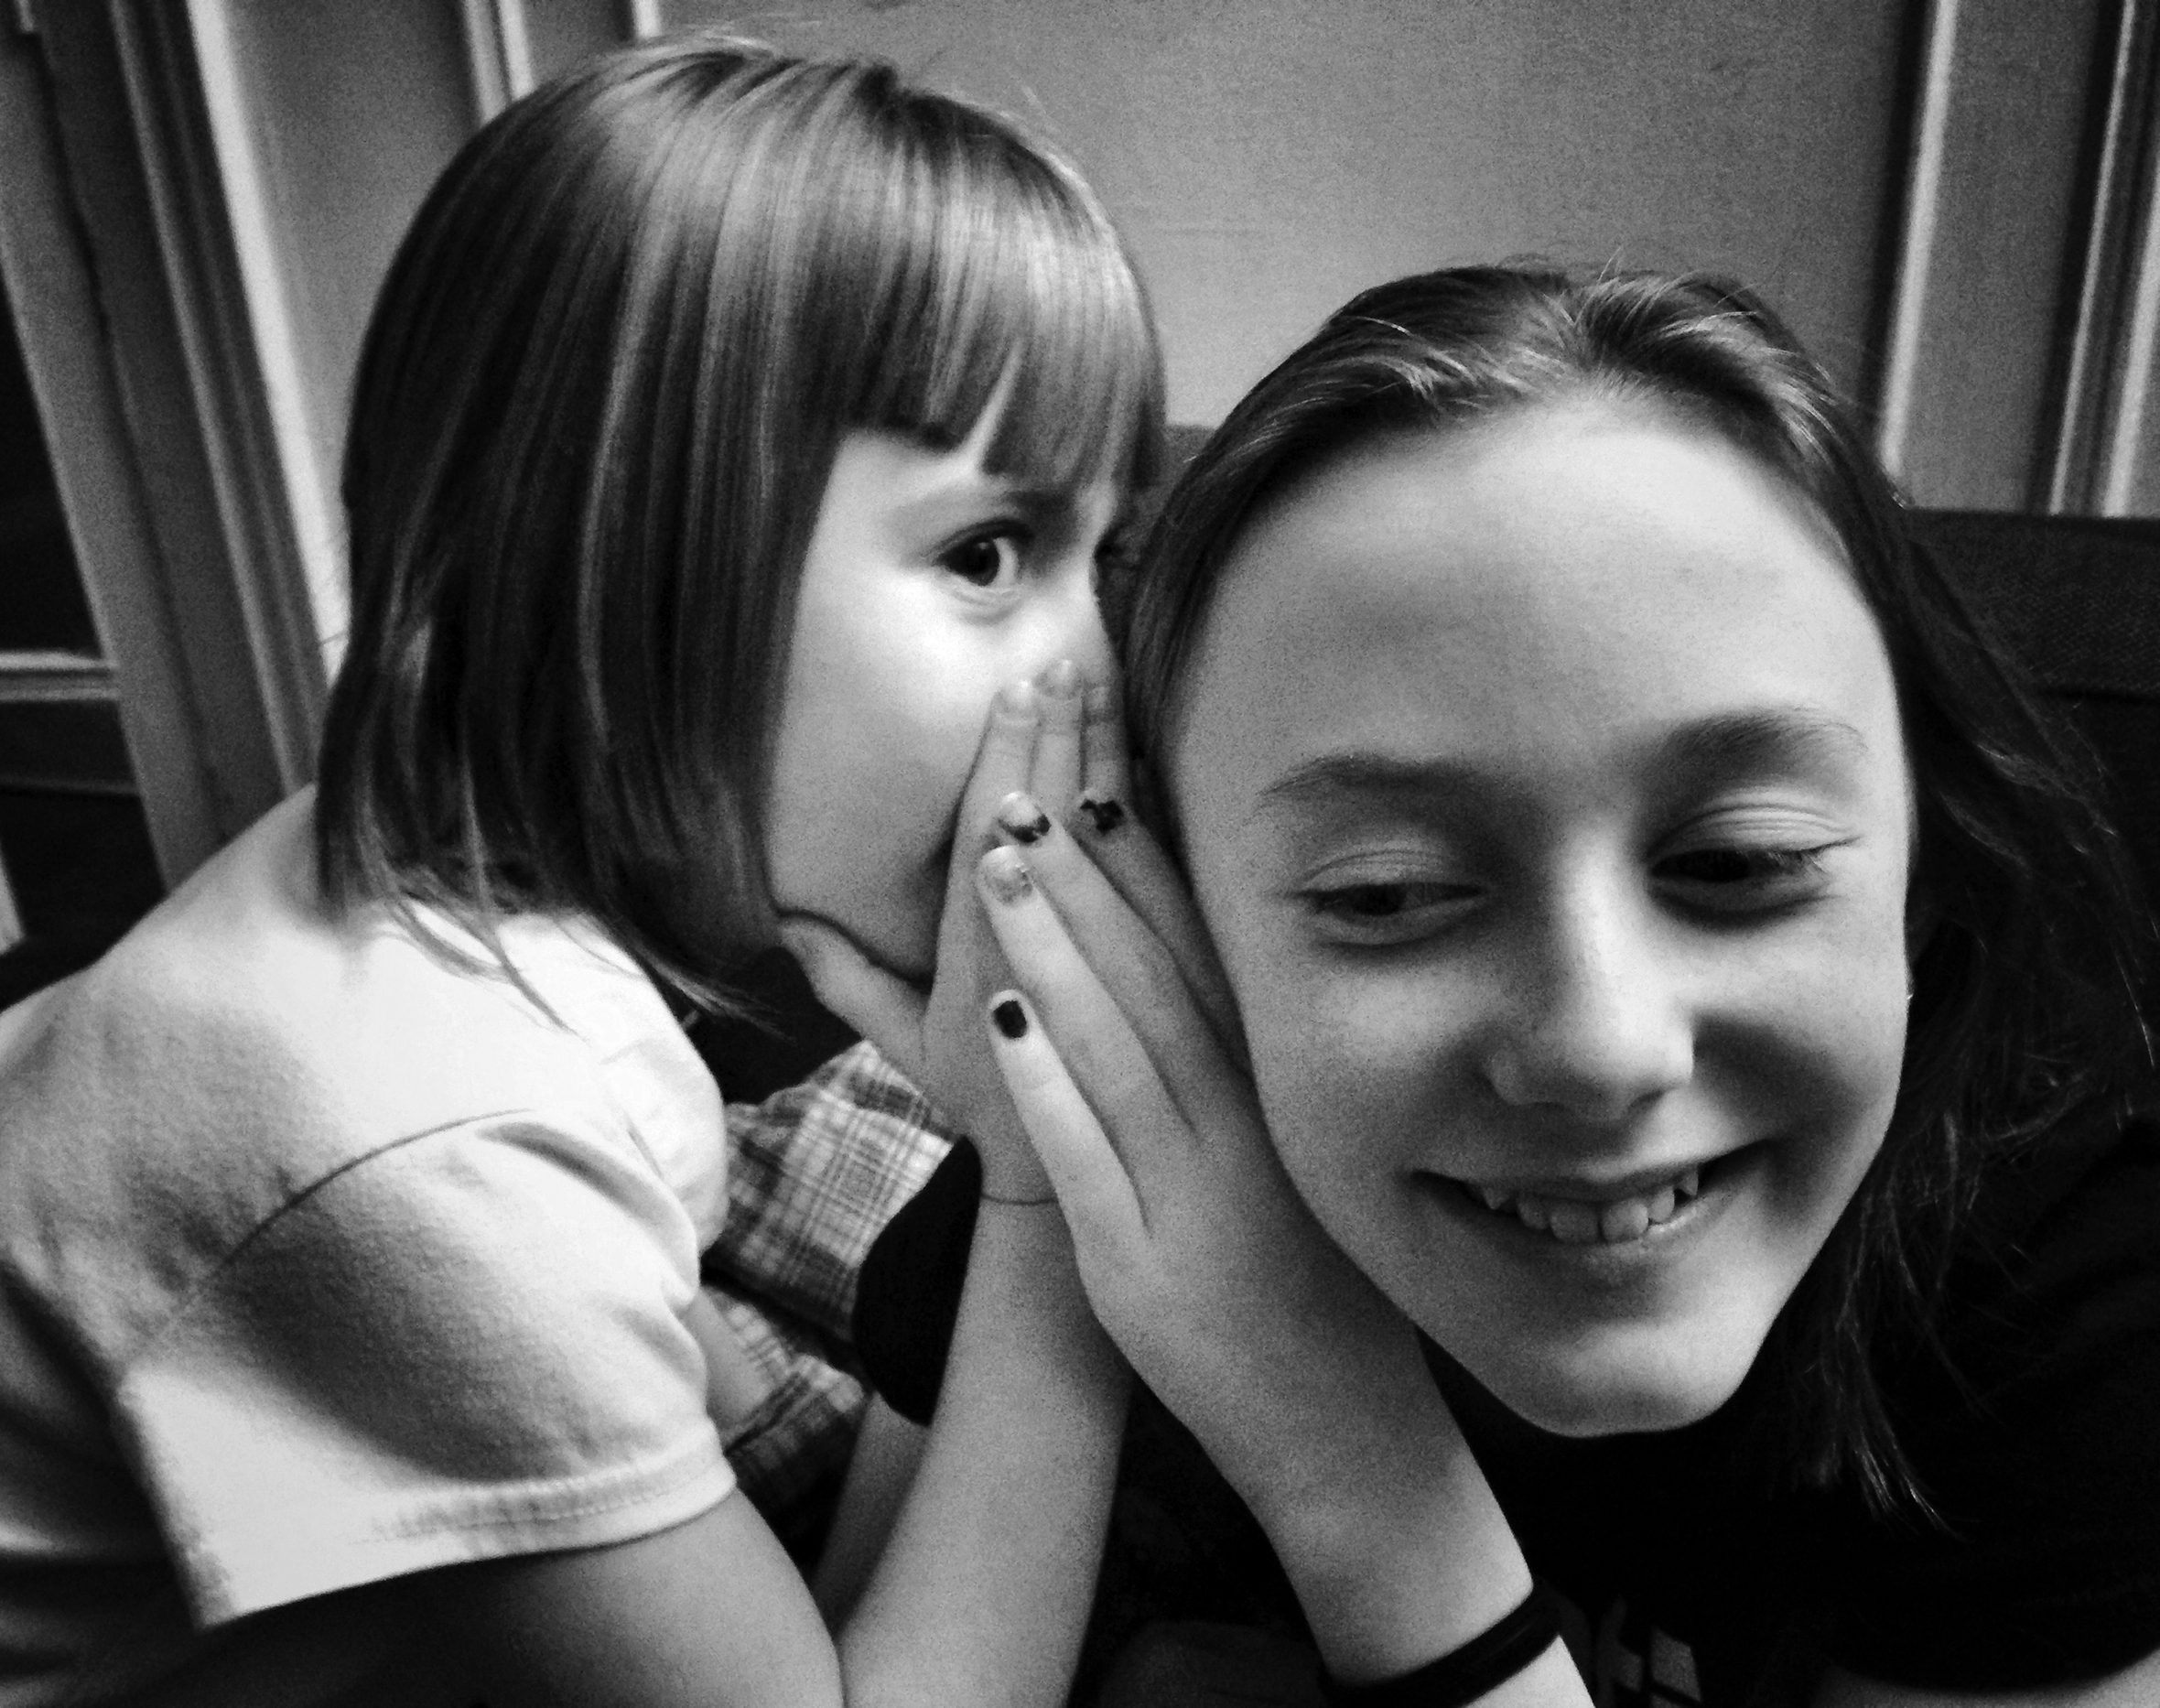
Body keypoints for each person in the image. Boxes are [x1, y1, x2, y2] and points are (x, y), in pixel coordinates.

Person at [0, 32, 1163, 1705]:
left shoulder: (463, 907)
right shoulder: (428, 1147)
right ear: (622, 560)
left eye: (1101, 554)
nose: (1093, 666)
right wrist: (1056, 1191)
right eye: (991, 552)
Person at [855, 265, 2160, 1705]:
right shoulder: (1102, 1184)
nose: (1602, 1046)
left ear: (1923, 888)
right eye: (1387, 894)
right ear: (1178, 936)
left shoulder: (2074, 1292)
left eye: (1740, 862)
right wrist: (1044, 1200)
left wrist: (1355, 1472)